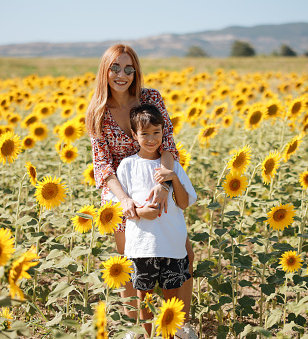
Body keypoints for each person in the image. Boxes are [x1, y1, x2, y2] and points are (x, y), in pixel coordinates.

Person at [86, 44, 197, 338]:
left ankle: (181, 325)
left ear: (135, 71)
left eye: (128, 69)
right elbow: (102, 165)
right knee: (130, 262)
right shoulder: (97, 111)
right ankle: (137, 328)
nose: (122, 75)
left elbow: (168, 143)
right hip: (121, 190)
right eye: (115, 68)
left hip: (158, 178)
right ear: (105, 71)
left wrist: (163, 185)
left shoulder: (150, 98)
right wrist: (126, 202)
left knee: (184, 253)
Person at [110, 104, 196, 338]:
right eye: (144, 133)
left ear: (163, 132)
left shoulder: (172, 165)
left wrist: (172, 178)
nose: (151, 139)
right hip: (142, 245)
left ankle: (169, 334)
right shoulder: (127, 165)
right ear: (134, 136)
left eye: (156, 132)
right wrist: (139, 211)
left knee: (172, 297)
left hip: (172, 244)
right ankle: (146, 335)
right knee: (143, 296)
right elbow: (118, 205)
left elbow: (185, 202)